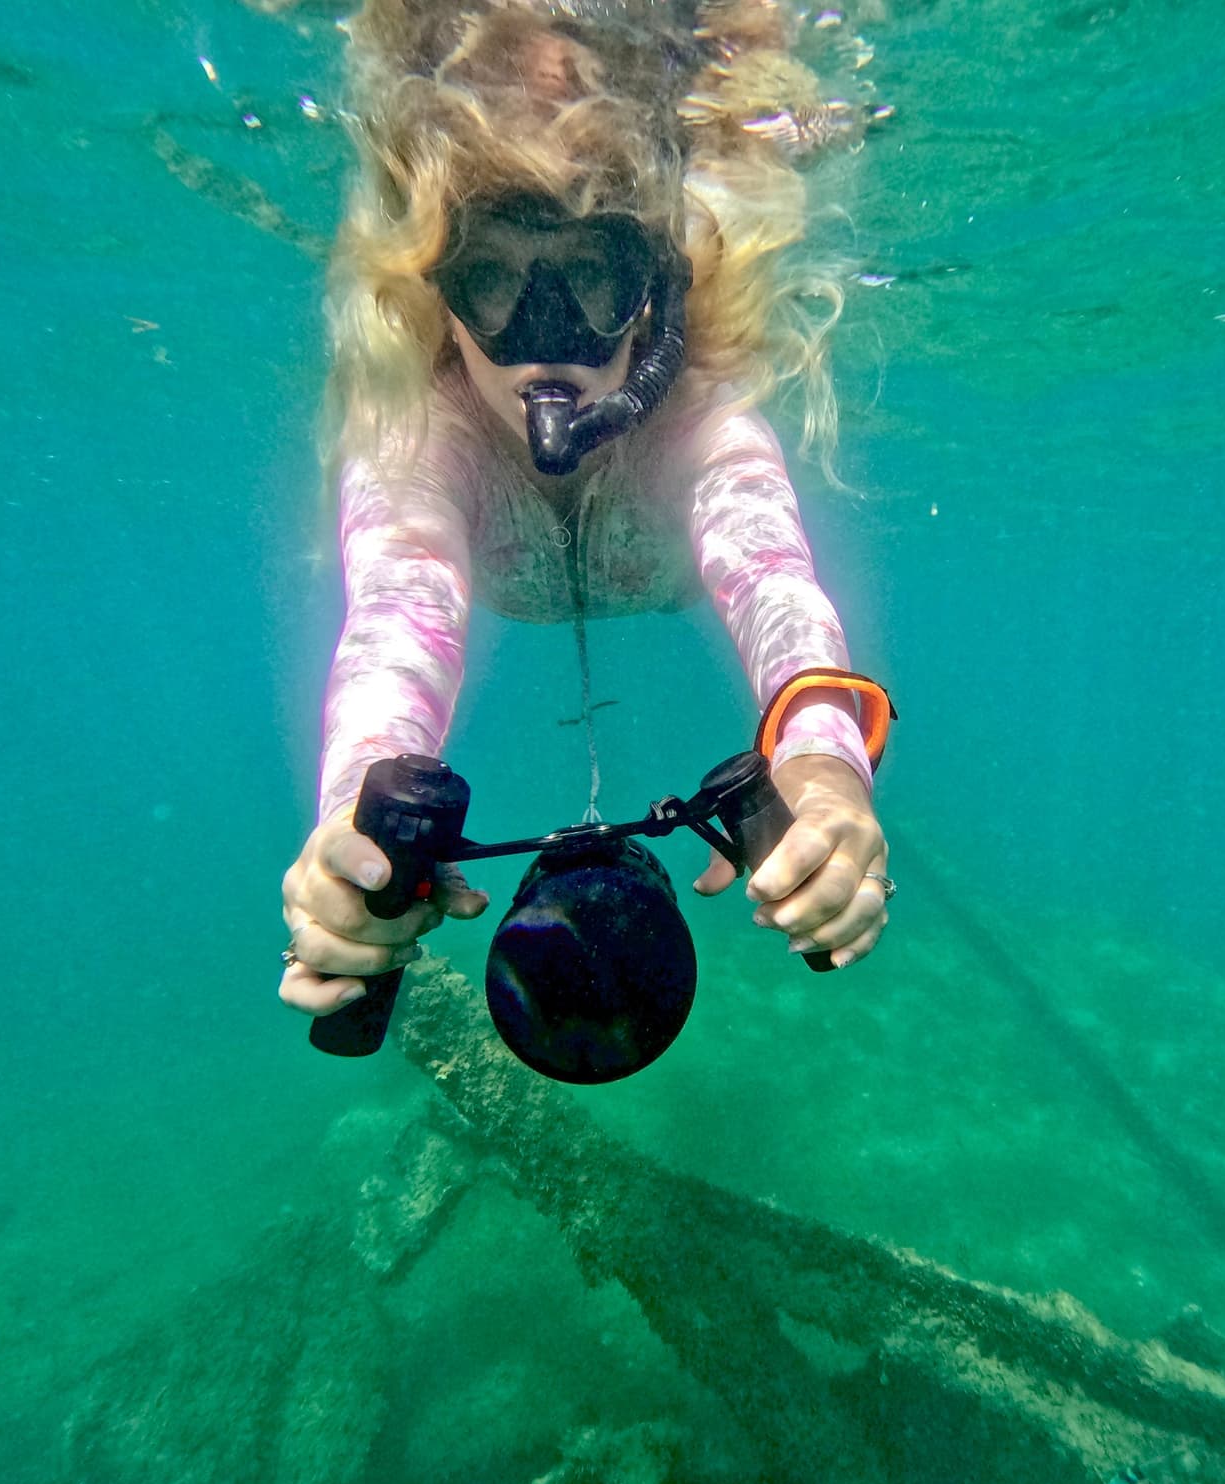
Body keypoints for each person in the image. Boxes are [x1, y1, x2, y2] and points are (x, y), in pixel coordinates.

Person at [278, 0, 894, 1019]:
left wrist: (826, 778)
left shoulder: (696, 420)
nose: (544, 341)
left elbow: (776, 583)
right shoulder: (418, 440)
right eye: (489, 281)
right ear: (436, 296)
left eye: (591, 276)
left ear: (654, 293)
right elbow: (393, 621)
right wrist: (349, 830)